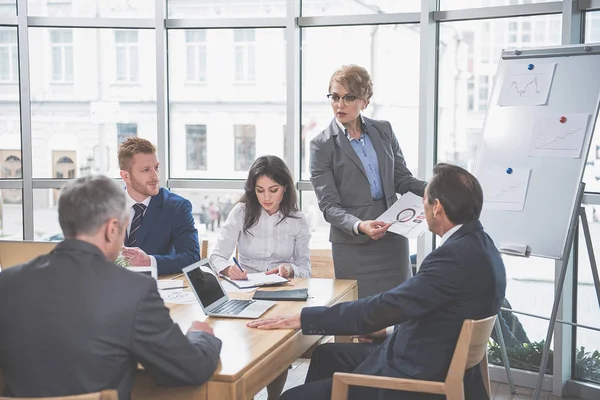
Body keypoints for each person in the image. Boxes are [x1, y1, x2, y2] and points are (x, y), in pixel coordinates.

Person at [248, 163, 507, 400]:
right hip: (433, 358)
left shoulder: (452, 258)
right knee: (327, 354)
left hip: (414, 378)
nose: (424, 207)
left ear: (437, 207)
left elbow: (387, 306)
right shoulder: (481, 246)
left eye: (425, 200)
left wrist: (306, 319)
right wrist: (388, 332)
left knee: (291, 398)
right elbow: (438, 315)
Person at [0, 175, 222, 400]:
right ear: (112, 229)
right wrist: (201, 336)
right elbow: (191, 368)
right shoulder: (134, 291)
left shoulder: (7, 282)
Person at [310, 64, 427, 298]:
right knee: (360, 317)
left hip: (391, 237)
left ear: (365, 100)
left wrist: (436, 189)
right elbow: (329, 207)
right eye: (335, 97)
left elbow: (402, 179)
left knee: (400, 309)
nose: (339, 104)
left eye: (349, 97)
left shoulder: (383, 130)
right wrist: (360, 226)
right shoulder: (321, 145)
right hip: (352, 245)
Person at [210, 155, 311, 400]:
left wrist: (288, 268)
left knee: (275, 350)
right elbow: (215, 257)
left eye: (273, 190)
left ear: (285, 188)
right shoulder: (241, 212)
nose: (266, 197)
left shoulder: (297, 220)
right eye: (260, 190)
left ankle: (273, 397)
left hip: (282, 295)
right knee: (247, 348)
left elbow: (305, 269)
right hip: (244, 291)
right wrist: (226, 269)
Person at [118, 137, 200, 275]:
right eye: (145, 170)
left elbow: (192, 258)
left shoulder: (177, 207)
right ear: (125, 176)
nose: (155, 176)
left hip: (158, 290)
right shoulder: (106, 207)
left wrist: (150, 262)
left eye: (156, 168)